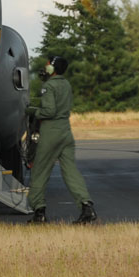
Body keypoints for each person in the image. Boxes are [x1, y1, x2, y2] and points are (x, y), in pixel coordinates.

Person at [26, 56, 96, 224]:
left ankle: (39, 212)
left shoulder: (49, 86)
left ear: (52, 68)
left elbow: (49, 111)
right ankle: (87, 207)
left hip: (51, 132)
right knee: (71, 172)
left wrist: (31, 111)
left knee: (39, 172)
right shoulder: (66, 84)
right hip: (66, 131)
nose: (45, 67)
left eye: (48, 65)